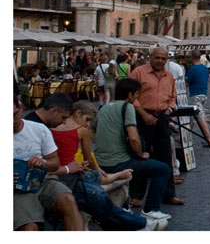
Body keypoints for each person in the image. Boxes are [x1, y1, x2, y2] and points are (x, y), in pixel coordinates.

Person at [50, 101, 156, 230]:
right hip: (70, 176)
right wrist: (98, 169)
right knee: (96, 182)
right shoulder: (81, 130)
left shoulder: (52, 127)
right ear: (77, 113)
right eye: (87, 120)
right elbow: (89, 157)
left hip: (67, 173)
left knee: (93, 177)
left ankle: (115, 177)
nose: (88, 124)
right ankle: (139, 221)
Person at [93, 78, 174, 222]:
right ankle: (151, 209)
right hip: (118, 162)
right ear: (130, 95)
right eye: (136, 94)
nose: (137, 97)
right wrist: (140, 153)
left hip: (100, 161)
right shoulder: (127, 107)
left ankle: (125, 204)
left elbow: (91, 131)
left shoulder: (105, 107)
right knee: (163, 169)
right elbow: (133, 138)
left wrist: (103, 143)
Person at [14, 95, 85, 231]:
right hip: (19, 189)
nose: (12, 120)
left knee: (68, 199)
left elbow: (54, 163)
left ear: (20, 109)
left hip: (44, 180)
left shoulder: (39, 129)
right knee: (30, 226)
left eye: (15, 114)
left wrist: (43, 162)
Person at [129, 46, 183, 206]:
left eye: (163, 59)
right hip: (142, 117)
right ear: (150, 57)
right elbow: (131, 96)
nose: (160, 61)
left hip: (162, 118)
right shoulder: (138, 73)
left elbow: (173, 96)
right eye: (157, 58)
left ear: (167, 60)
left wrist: (169, 108)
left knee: (165, 156)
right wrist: (144, 115)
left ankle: (168, 194)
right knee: (141, 156)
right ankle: (136, 195)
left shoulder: (168, 76)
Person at [184, 53, 210, 147]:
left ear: (192, 58)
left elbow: (187, 80)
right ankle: (185, 137)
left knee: (200, 117)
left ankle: (209, 138)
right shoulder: (205, 68)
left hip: (195, 94)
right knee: (195, 116)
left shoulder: (192, 69)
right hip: (204, 94)